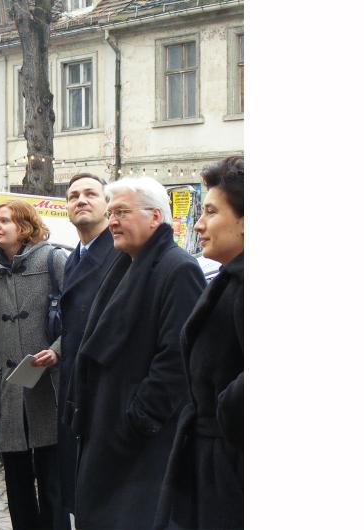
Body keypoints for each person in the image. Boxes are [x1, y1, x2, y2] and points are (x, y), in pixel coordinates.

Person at [65, 176, 205, 529]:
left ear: (155, 217)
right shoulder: (125, 262)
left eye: (122, 212)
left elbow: (176, 361)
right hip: (108, 430)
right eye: (111, 212)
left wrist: (136, 421)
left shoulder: (179, 268)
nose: (112, 221)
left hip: (141, 446)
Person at [155, 156, 245, 529]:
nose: (199, 224)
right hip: (214, 464)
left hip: (230, 471)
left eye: (211, 212)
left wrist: (224, 413)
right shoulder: (231, 279)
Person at [0, 200, 68, 529]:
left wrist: (56, 350)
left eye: (6, 221)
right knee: (17, 484)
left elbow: (79, 320)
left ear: (24, 227)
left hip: (47, 388)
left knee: (53, 484)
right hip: (7, 391)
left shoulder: (53, 259)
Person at [49, 173, 121, 518]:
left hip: (106, 399)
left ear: (107, 204)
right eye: (73, 195)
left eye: (91, 193)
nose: (81, 200)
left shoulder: (120, 255)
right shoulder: (74, 257)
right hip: (74, 393)